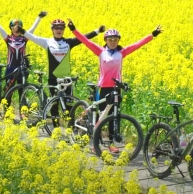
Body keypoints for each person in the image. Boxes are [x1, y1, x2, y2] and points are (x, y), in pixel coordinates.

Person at [70, 21, 163, 153]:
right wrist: (74, 30)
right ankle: (94, 142)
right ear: (106, 40)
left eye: (115, 39)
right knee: (100, 116)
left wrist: (152, 35)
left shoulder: (122, 52)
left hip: (116, 88)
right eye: (110, 39)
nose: (113, 42)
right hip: (103, 88)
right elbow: (86, 42)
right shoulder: (100, 51)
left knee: (114, 116)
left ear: (118, 41)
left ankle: (111, 142)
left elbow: (137, 44)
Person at [22, 18, 105, 93]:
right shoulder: (47, 42)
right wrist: (21, 31)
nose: (59, 30)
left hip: (66, 79)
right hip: (53, 78)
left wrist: (98, 31)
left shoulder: (69, 42)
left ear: (64, 30)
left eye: (61, 28)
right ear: (52, 29)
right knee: (54, 106)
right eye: (56, 28)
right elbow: (32, 37)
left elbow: (84, 38)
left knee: (68, 106)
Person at [0, 10, 47, 85]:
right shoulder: (8, 39)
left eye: (19, 28)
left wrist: (39, 17)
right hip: (10, 68)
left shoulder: (24, 38)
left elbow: (33, 28)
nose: (16, 29)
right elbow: (0, 28)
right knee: (8, 91)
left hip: (22, 68)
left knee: (22, 90)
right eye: (14, 27)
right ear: (11, 28)